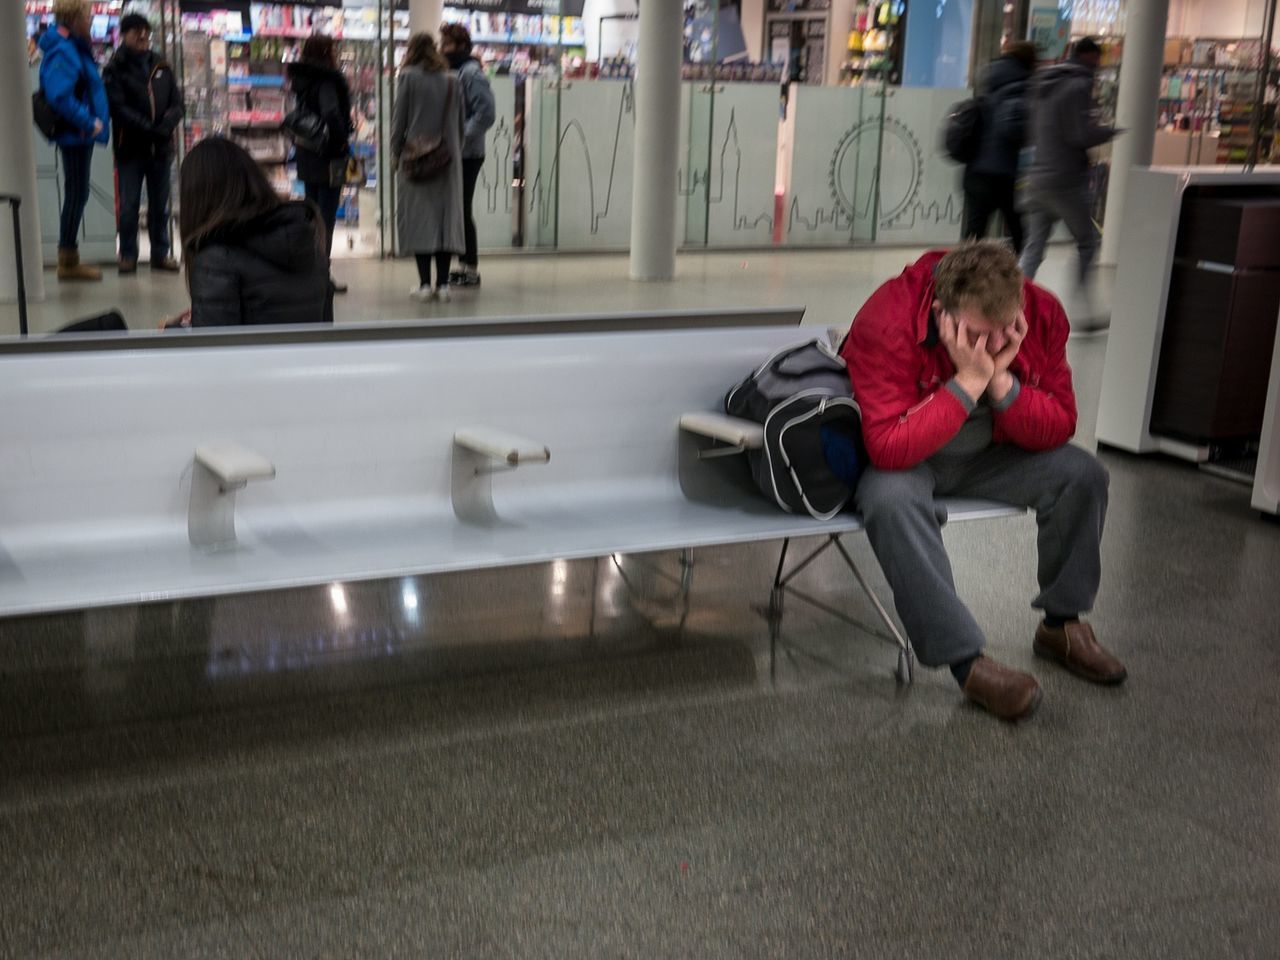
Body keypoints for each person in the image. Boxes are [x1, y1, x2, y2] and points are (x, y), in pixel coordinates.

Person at [841, 240, 1125, 723]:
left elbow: (1060, 421)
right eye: (977, 334)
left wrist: (1001, 383)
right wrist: (969, 382)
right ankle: (966, 662)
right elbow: (887, 448)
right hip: (911, 458)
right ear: (941, 313)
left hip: (994, 449)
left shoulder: (1042, 312)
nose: (994, 346)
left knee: (1083, 475)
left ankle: (1062, 624)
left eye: (1005, 333)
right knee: (889, 502)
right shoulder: (886, 320)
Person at [173, 138, 332, 327]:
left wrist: (173, 330)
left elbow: (213, 348)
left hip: (252, 357)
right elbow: (324, 330)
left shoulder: (215, 260)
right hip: (308, 356)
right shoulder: (307, 240)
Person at [1018, 37, 1119, 326]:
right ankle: (1081, 310)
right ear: (1090, 57)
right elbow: (1079, 135)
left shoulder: (1044, 82)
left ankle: (1008, 305)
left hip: (1038, 176)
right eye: (1098, 60)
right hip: (1065, 180)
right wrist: (1109, 132)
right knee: (1088, 242)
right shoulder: (1078, 85)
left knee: (1033, 247)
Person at [102, 13, 184, 275]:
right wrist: (149, 128)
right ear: (124, 34)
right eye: (136, 31)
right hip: (131, 149)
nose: (142, 36)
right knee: (129, 206)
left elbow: (177, 103)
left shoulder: (161, 64)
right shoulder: (115, 66)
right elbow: (118, 107)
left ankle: (161, 253)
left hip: (160, 148)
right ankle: (127, 254)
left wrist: (166, 125)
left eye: (145, 31)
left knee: (160, 205)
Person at [38, 0, 111, 282]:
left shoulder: (73, 47)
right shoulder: (64, 50)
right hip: (76, 135)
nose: (91, 21)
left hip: (79, 135)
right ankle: (67, 259)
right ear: (73, 17)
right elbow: (59, 96)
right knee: (76, 193)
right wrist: (88, 122)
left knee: (78, 193)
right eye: (87, 16)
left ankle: (69, 257)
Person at [391, 33, 464, 303]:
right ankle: (443, 285)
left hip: (417, 160)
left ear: (411, 51)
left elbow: (399, 122)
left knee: (420, 220)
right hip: (448, 161)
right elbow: (460, 122)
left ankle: (424, 285)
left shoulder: (408, 78)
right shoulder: (452, 80)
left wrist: (396, 152)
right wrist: (453, 152)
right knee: (444, 222)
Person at [286, 34, 354, 294]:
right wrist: (341, 142)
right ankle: (321, 276)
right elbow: (331, 114)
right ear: (327, 51)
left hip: (307, 152)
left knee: (313, 216)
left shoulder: (301, 80)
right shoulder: (327, 80)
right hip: (328, 156)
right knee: (326, 218)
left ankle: (310, 272)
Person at [961, 41, 1036, 252]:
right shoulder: (1020, 87)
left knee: (974, 234)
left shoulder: (991, 78)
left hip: (976, 169)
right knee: (1019, 233)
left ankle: (960, 278)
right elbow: (1011, 129)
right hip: (1002, 173)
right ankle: (1017, 279)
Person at [439, 23, 495, 289]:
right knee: (456, 209)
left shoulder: (471, 73)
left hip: (468, 153)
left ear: (460, 46)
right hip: (457, 151)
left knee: (461, 209)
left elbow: (486, 113)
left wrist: (460, 135)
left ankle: (471, 268)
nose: (442, 48)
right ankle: (464, 265)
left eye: (446, 43)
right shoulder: (455, 71)